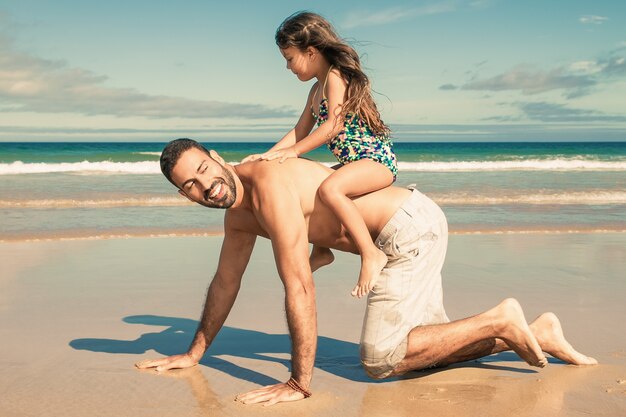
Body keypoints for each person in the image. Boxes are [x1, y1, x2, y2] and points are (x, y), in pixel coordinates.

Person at [136, 139, 597, 406]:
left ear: (216, 156)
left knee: (380, 360)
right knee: (431, 350)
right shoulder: (238, 216)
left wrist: (300, 382)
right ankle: (536, 332)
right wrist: (194, 353)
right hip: (396, 234)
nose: (205, 185)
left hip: (408, 230)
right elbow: (225, 284)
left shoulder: (268, 185)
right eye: (190, 185)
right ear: (185, 195)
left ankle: (500, 319)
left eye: (202, 169)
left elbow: (298, 284)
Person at [243, 12, 397, 298]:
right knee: (311, 192)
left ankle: (370, 253)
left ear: (311, 52)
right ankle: (322, 251)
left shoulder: (336, 77)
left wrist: (293, 153)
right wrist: (267, 156)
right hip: (353, 162)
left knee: (331, 188)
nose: (287, 67)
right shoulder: (316, 89)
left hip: (376, 161)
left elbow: (332, 126)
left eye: (289, 58)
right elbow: (300, 130)